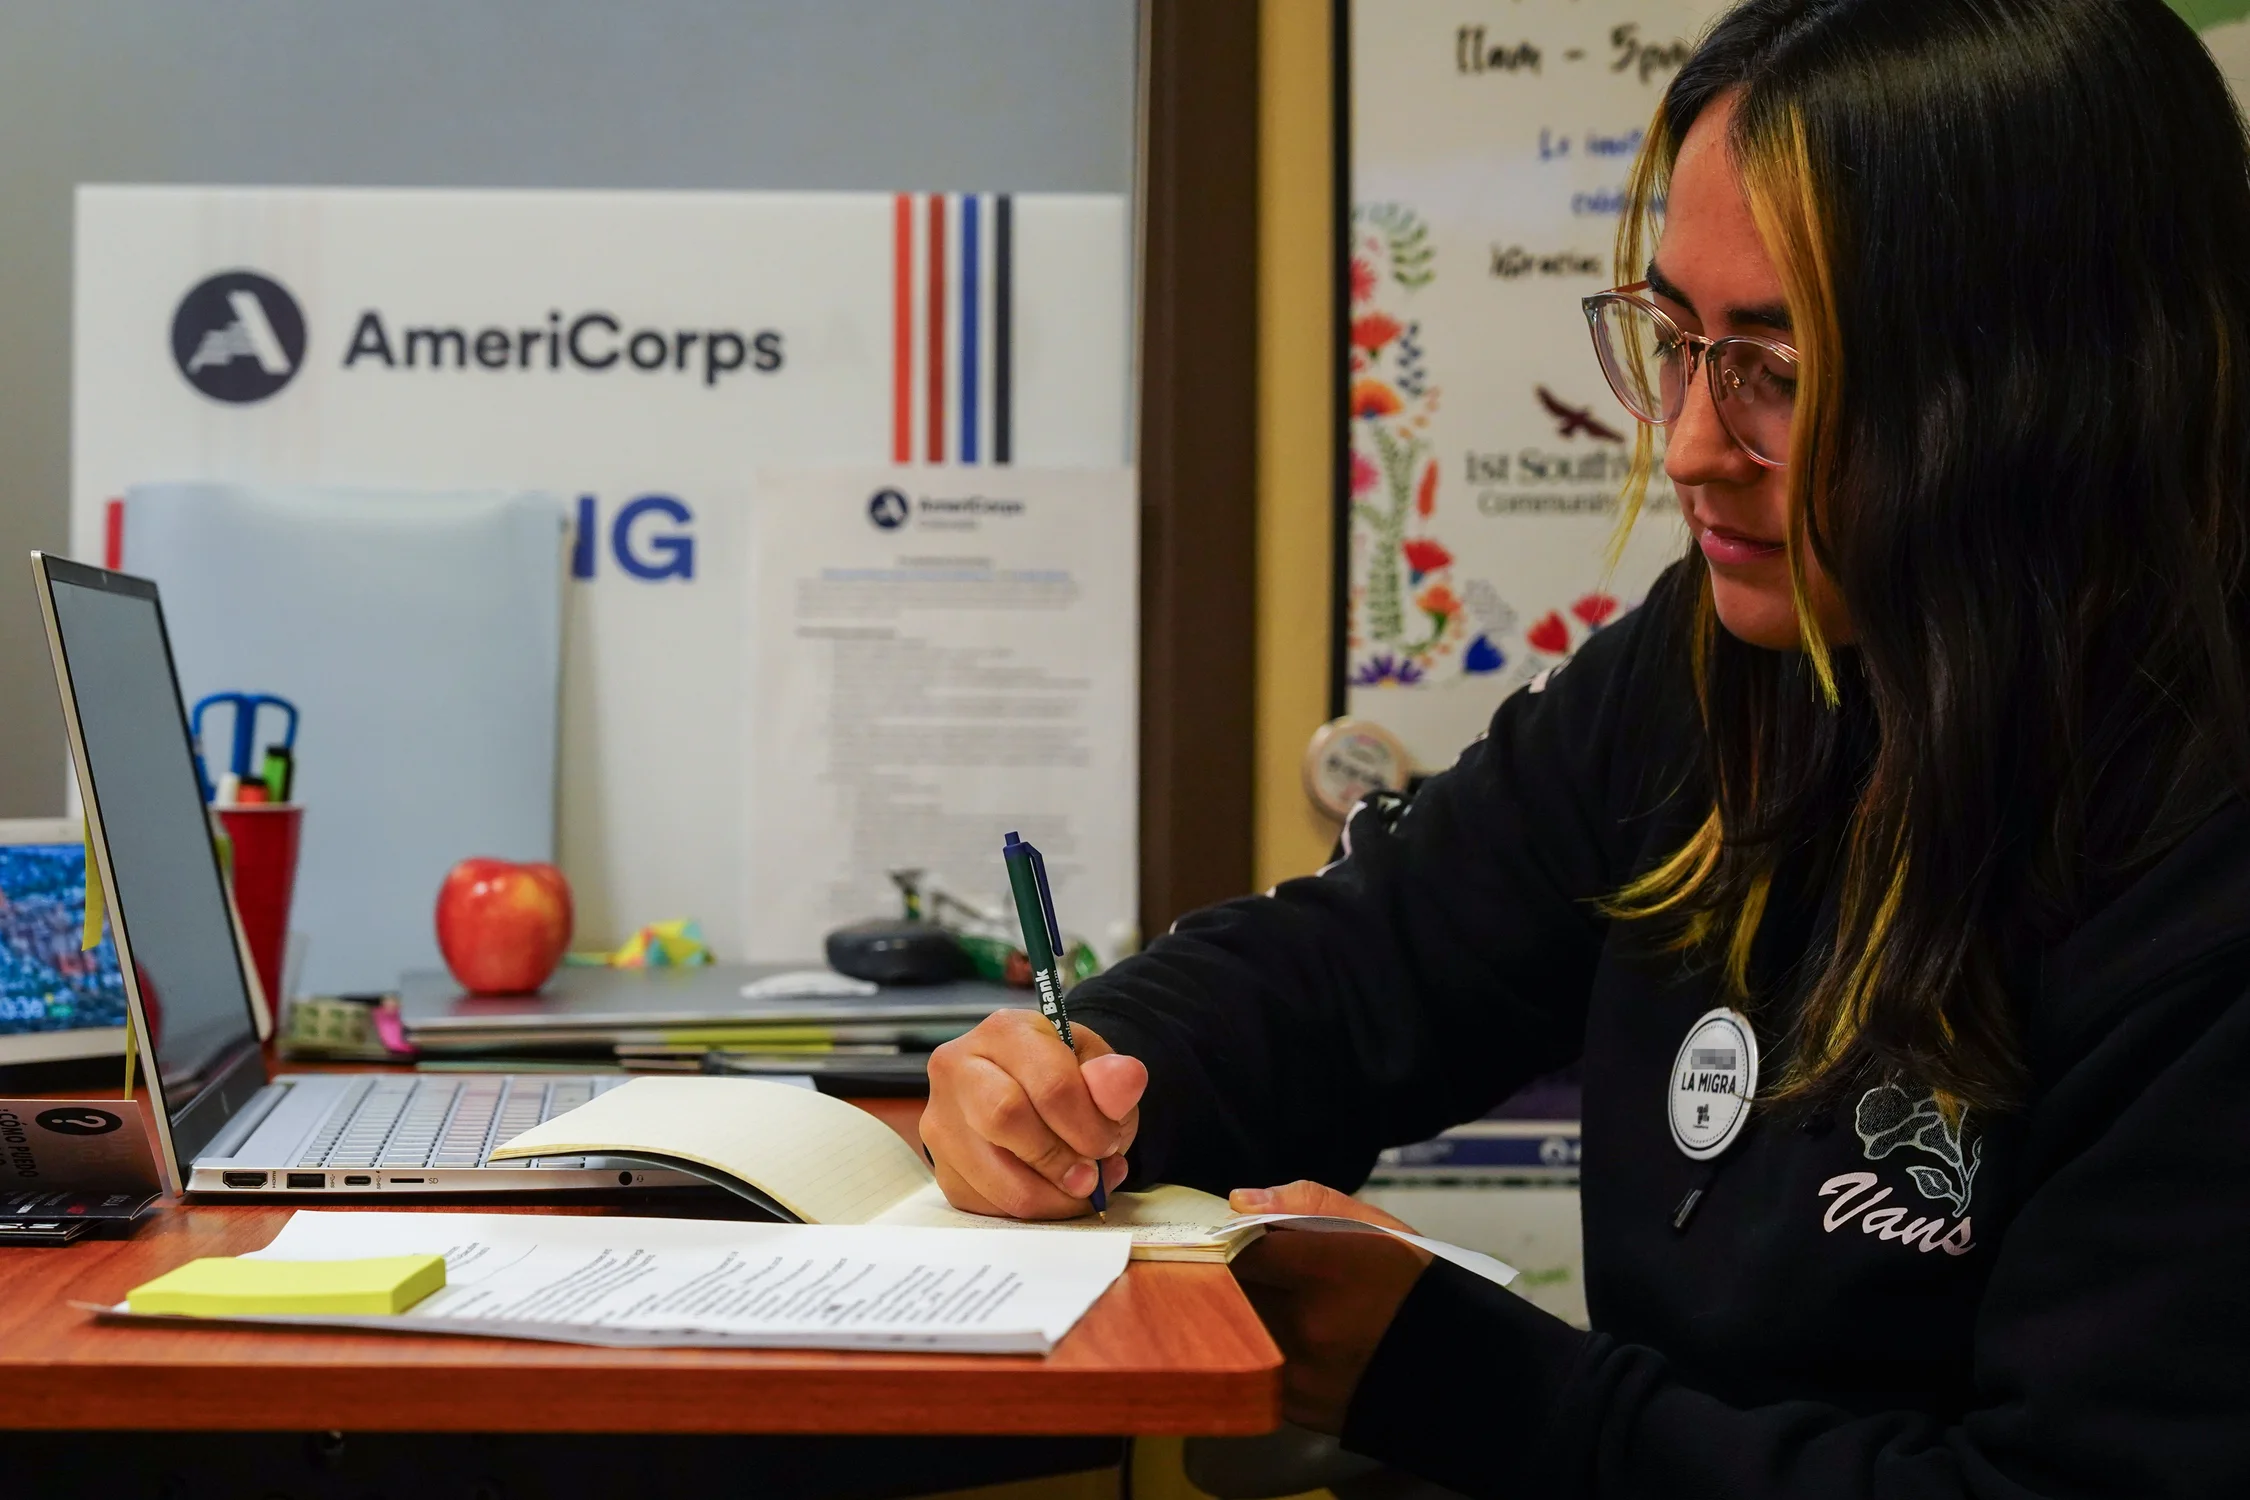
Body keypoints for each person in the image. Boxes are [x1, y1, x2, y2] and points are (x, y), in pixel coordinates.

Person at [923, 0, 2250, 1493]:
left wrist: (1446, 1372)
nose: (1686, 442)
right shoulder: (1722, 665)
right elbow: (1365, 968)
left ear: (2052, 381)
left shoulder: (2195, 865)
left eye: (1781, 369)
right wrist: (1092, 1068)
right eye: (1675, 340)